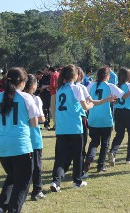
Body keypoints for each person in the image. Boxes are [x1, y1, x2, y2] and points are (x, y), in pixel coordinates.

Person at [0, 67, 39, 213]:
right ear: (23, 82)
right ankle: (13, 210)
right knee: (22, 182)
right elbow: (35, 123)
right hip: (20, 146)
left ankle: (0, 207)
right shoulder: (26, 97)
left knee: (12, 177)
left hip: (2, 146)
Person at [50, 64, 94, 192]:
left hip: (62, 128)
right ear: (75, 76)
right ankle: (77, 181)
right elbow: (85, 107)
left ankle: (56, 181)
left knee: (60, 157)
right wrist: (91, 105)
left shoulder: (60, 89)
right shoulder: (76, 88)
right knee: (78, 155)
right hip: (74, 127)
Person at [83, 67, 130, 175]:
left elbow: (84, 98)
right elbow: (124, 96)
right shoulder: (110, 86)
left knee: (94, 142)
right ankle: (100, 166)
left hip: (93, 119)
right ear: (107, 76)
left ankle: (89, 158)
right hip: (105, 119)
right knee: (105, 144)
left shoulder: (91, 85)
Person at [24, 74, 46, 201]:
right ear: (33, 85)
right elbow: (41, 118)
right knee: (37, 165)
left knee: (25, 165)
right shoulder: (35, 99)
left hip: (23, 136)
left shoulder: (19, 98)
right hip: (34, 136)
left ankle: (24, 189)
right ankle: (37, 190)